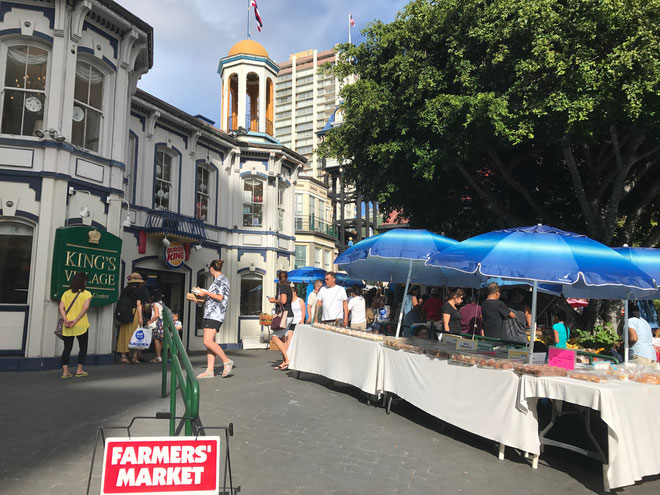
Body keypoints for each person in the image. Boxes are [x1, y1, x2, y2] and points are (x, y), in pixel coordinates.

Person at [196, 259, 233, 378]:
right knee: (210, 342)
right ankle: (210, 370)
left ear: (211, 269)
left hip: (215, 314)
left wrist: (205, 293)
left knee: (207, 341)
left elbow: (220, 297)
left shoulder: (221, 280)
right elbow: (214, 298)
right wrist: (201, 299)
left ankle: (226, 361)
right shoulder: (217, 280)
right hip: (210, 313)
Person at [58, 272, 92, 378]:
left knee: (67, 348)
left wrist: (66, 320)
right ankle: (79, 370)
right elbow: (85, 308)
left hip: (67, 324)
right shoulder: (87, 294)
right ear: (84, 282)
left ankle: (65, 372)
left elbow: (61, 307)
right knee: (83, 347)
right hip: (81, 324)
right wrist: (76, 320)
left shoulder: (66, 293)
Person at [117, 272, 149, 364]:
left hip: (125, 313)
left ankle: (123, 356)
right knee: (137, 335)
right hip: (135, 314)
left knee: (124, 334)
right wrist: (140, 318)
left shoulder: (125, 290)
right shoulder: (140, 290)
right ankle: (134, 357)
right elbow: (139, 304)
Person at [268, 271, 294, 370]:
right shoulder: (288, 287)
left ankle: (288, 359)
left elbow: (283, 301)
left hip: (285, 315)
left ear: (279, 278)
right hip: (289, 314)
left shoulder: (283, 287)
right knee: (284, 338)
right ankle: (285, 361)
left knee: (275, 338)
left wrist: (273, 301)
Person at [146, 289, 164, 363]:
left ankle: (158, 357)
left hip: (158, 323)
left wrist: (150, 321)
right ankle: (159, 355)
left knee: (156, 339)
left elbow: (156, 314)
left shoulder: (155, 304)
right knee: (161, 339)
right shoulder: (162, 303)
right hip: (163, 322)